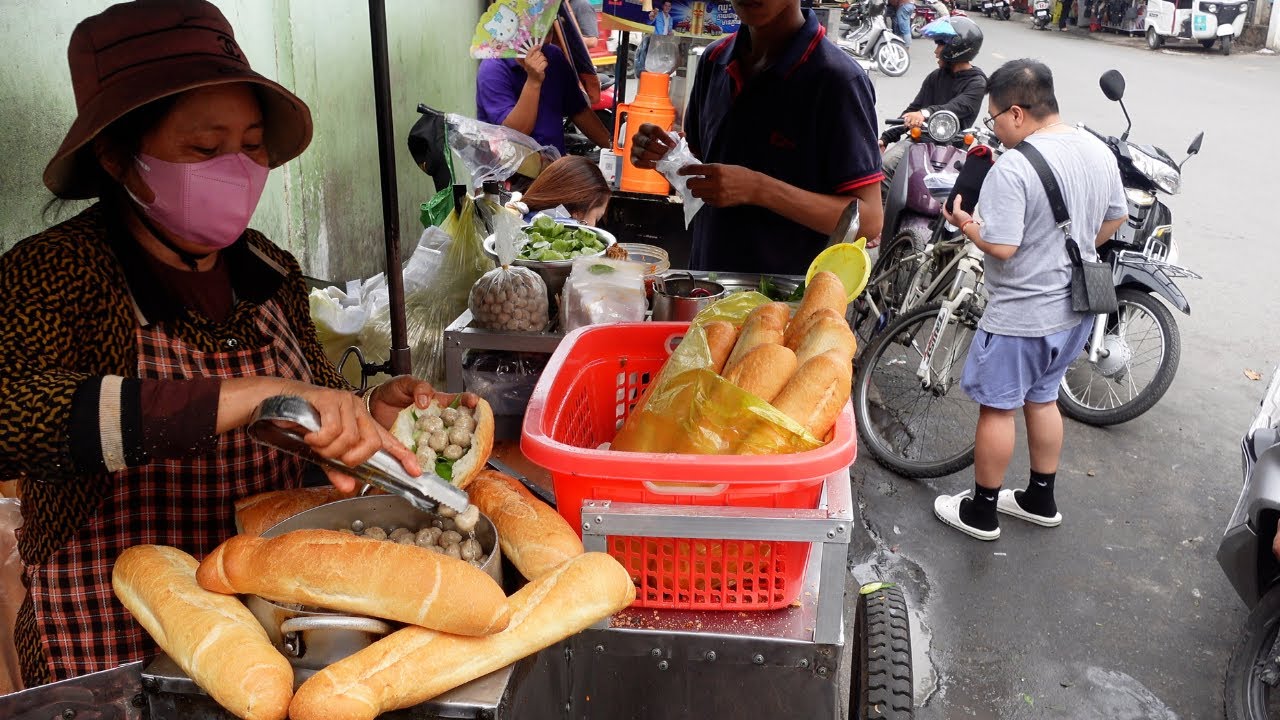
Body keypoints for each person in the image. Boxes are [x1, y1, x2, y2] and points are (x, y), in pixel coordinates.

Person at [5, 0, 465, 686]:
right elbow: (14, 416)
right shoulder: (56, 272)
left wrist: (365, 412)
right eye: (202, 147)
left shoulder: (267, 268)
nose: (238, 166)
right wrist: (243, 396)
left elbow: (303, 404)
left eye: (251, 145)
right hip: (111, 634)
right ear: (115, 156)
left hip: (274, 623)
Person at [931, 59, 1127, 540]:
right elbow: (1115, 218)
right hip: (1076, 310)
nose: (995, 130)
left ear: (1016, 113)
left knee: (998, 410)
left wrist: (966, 224)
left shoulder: (1015, 167)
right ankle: (1040, 498)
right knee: (1042, 401)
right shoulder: (1097, 150)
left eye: (994, 119)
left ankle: (980, 512)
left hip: (1024, 312)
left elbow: (1002, 246)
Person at [629, 0, 884, 276]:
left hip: (788, 300)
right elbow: (702, 171)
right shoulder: (714, 61)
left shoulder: (837, 80)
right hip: (707, 284)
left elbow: (869, 219)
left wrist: (760, 189)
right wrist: (666, 158)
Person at [880, 17, 987, 199]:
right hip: (919, 143)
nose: (936, 51)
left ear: (956, 47)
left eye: (941, 45)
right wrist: (886, 138)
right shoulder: (935, 77)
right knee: (883, 169)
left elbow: (957, 107)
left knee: (961, 198)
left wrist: (925, 113)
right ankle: (885, 223)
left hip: (953, 151)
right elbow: (913, 109)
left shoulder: (977, 82)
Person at [476, 40, 612, 155]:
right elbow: (514, 135)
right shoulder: (493, 68)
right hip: (512, 178)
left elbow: (579, 110)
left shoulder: (553, 55)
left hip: (553, 171)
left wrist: (612, 148)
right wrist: (533, 81)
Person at [518, 155, 612, 225]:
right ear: (577, 213)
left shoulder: (521, 216)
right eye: (596, 219)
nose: (595, 227)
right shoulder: (569, 240)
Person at [634, 1, 675, 76]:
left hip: (664, 41)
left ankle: (657, 73)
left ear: (670, 8)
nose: (667, 7)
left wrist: (670, 33)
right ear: (663, 6)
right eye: (666, 5)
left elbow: (669, 30)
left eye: (669, 6)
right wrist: (651, 18)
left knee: (660, 58)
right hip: (655, 39)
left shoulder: (670, 18)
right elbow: (649, 22)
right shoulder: (658, 14)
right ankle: (649, 72)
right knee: (652, 57)